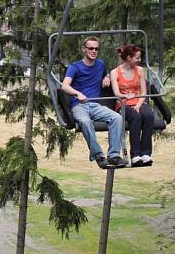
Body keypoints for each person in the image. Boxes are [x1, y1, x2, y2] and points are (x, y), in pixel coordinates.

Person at [62, 37, 126, 169]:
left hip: (95, 105)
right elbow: (65, 86)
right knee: (85, 122)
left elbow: (106, 73)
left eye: (96, 49)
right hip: (79, 105)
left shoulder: (100, 64)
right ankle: (98, 155)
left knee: (117, 118)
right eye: (91, 48)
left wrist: (107, 77)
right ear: (84, 49)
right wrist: (77, 93)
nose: (94, 51)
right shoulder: (75, 67)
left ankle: (114, 156)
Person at [110, 44, 154, 167]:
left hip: (138, 101)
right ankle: (135, 154)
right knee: (136, 117)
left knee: (149, 115)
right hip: (123, 104)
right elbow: (117, 93)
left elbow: (143, 92)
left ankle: (145, 152)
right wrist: (126, 97)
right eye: (137, 58)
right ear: (129, 58)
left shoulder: (140, 70)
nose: (139, 60)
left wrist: (139, 104)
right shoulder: (115, 72)